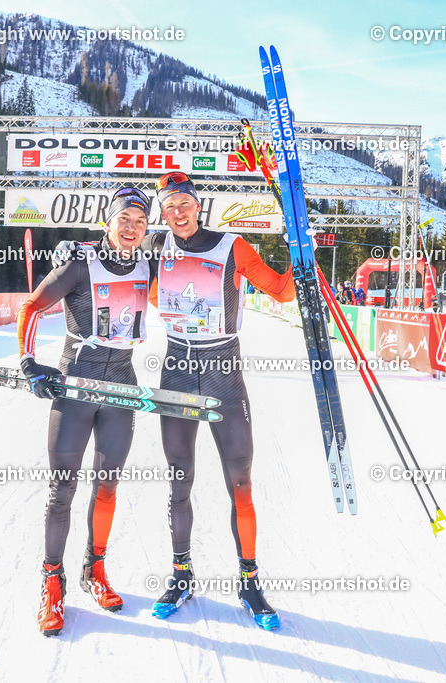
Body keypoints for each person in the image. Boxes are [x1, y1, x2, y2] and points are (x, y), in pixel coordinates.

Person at [145, 171, 296, 630]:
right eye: (169, 206)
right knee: (179, 480)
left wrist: (300, 253)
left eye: (184, 203)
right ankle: (181, 574)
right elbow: (140, 291)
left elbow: (283, 291)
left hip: (222, 371)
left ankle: (249, 581)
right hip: (176, 369)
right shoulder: (155, 248)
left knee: (240, 481)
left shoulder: (233, 247)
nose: (178, 212)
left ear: (197, 205)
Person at [16, 187, 153, 636]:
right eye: (124, 219)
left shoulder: (148, 266)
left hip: (121, 390)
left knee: (108, 487)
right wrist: (27, 362)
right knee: (62, 492)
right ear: (108, 222)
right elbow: (32, 306)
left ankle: (94, 570)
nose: (131, 228)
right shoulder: (80, 264)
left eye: (139, 220)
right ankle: (52, 583)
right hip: (74, 385)